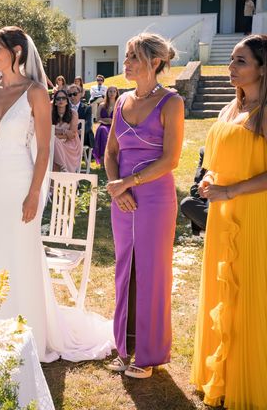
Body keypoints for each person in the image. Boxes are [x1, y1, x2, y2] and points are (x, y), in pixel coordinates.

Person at [0, 25, 114, 363]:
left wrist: (32, 195)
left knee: (20, 252)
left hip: (20, 183)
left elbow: (44, 150)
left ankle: (27, 332)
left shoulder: (36, 93)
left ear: (16, 52)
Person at [191, 34, 267, 409]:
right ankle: (217, 374)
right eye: (232, 60)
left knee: (248, 292)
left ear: (262, 68)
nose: (231, 67)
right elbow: (216, 164)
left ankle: (245, 379)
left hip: (254, 216)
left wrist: (231, 191)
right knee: (220, 294)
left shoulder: (265, 112)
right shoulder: (226, 109)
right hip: (222, 213)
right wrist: (210, 180)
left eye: (240, 61)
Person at [104, 33, 183, 379]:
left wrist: (130, 183)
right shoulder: (120, 102)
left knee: (151, 272)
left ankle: (149, 355)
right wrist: (115, 189)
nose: (127, 64)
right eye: (126, 56)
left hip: (155, 199)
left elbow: (171, 159)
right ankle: (124, 348)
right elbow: (110, 153)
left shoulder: (172, 102)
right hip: (122, 199)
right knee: (124, 271)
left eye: (133, 57)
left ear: (154, 62)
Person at [51, 89, 82, 172]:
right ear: (55, 102)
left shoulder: (73, 113)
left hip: (70, 144)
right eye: (58, 98)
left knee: (53, 141)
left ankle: (62, 170)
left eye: (63, 98)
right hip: (54, 144)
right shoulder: (50, 113)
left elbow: (72, 135)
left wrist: (56, 132)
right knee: (53, 142)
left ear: (67, 101)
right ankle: (63, 168)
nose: (61, 100)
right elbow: (47, 132)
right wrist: (65, 132)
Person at [179, 146, 208, 234]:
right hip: (210, 205)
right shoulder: (205, 151)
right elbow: (196, 186)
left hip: (231, 203)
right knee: (187, 204)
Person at [92, 86, 119, 165]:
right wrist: (106, 120)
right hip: (103, 125)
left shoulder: (119, 105)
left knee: (104, 130)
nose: (112, 93)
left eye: (114, 91)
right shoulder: (101, 105)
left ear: (117, 93)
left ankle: (110, 158)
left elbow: (120, 119)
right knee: (102, 130)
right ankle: (103, 157)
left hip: (114, 126)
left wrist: (112, 122)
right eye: (110, 91)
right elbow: (97, 119)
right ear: (107, 93)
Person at [68, 83, 94, 148]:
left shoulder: (87, 108)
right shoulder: (65, 107)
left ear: (80, 94)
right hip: (68, 135)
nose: (72, 97)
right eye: (70, 95)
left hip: (82, 135)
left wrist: (79, 131)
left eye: (74, 94)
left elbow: (88, 124)